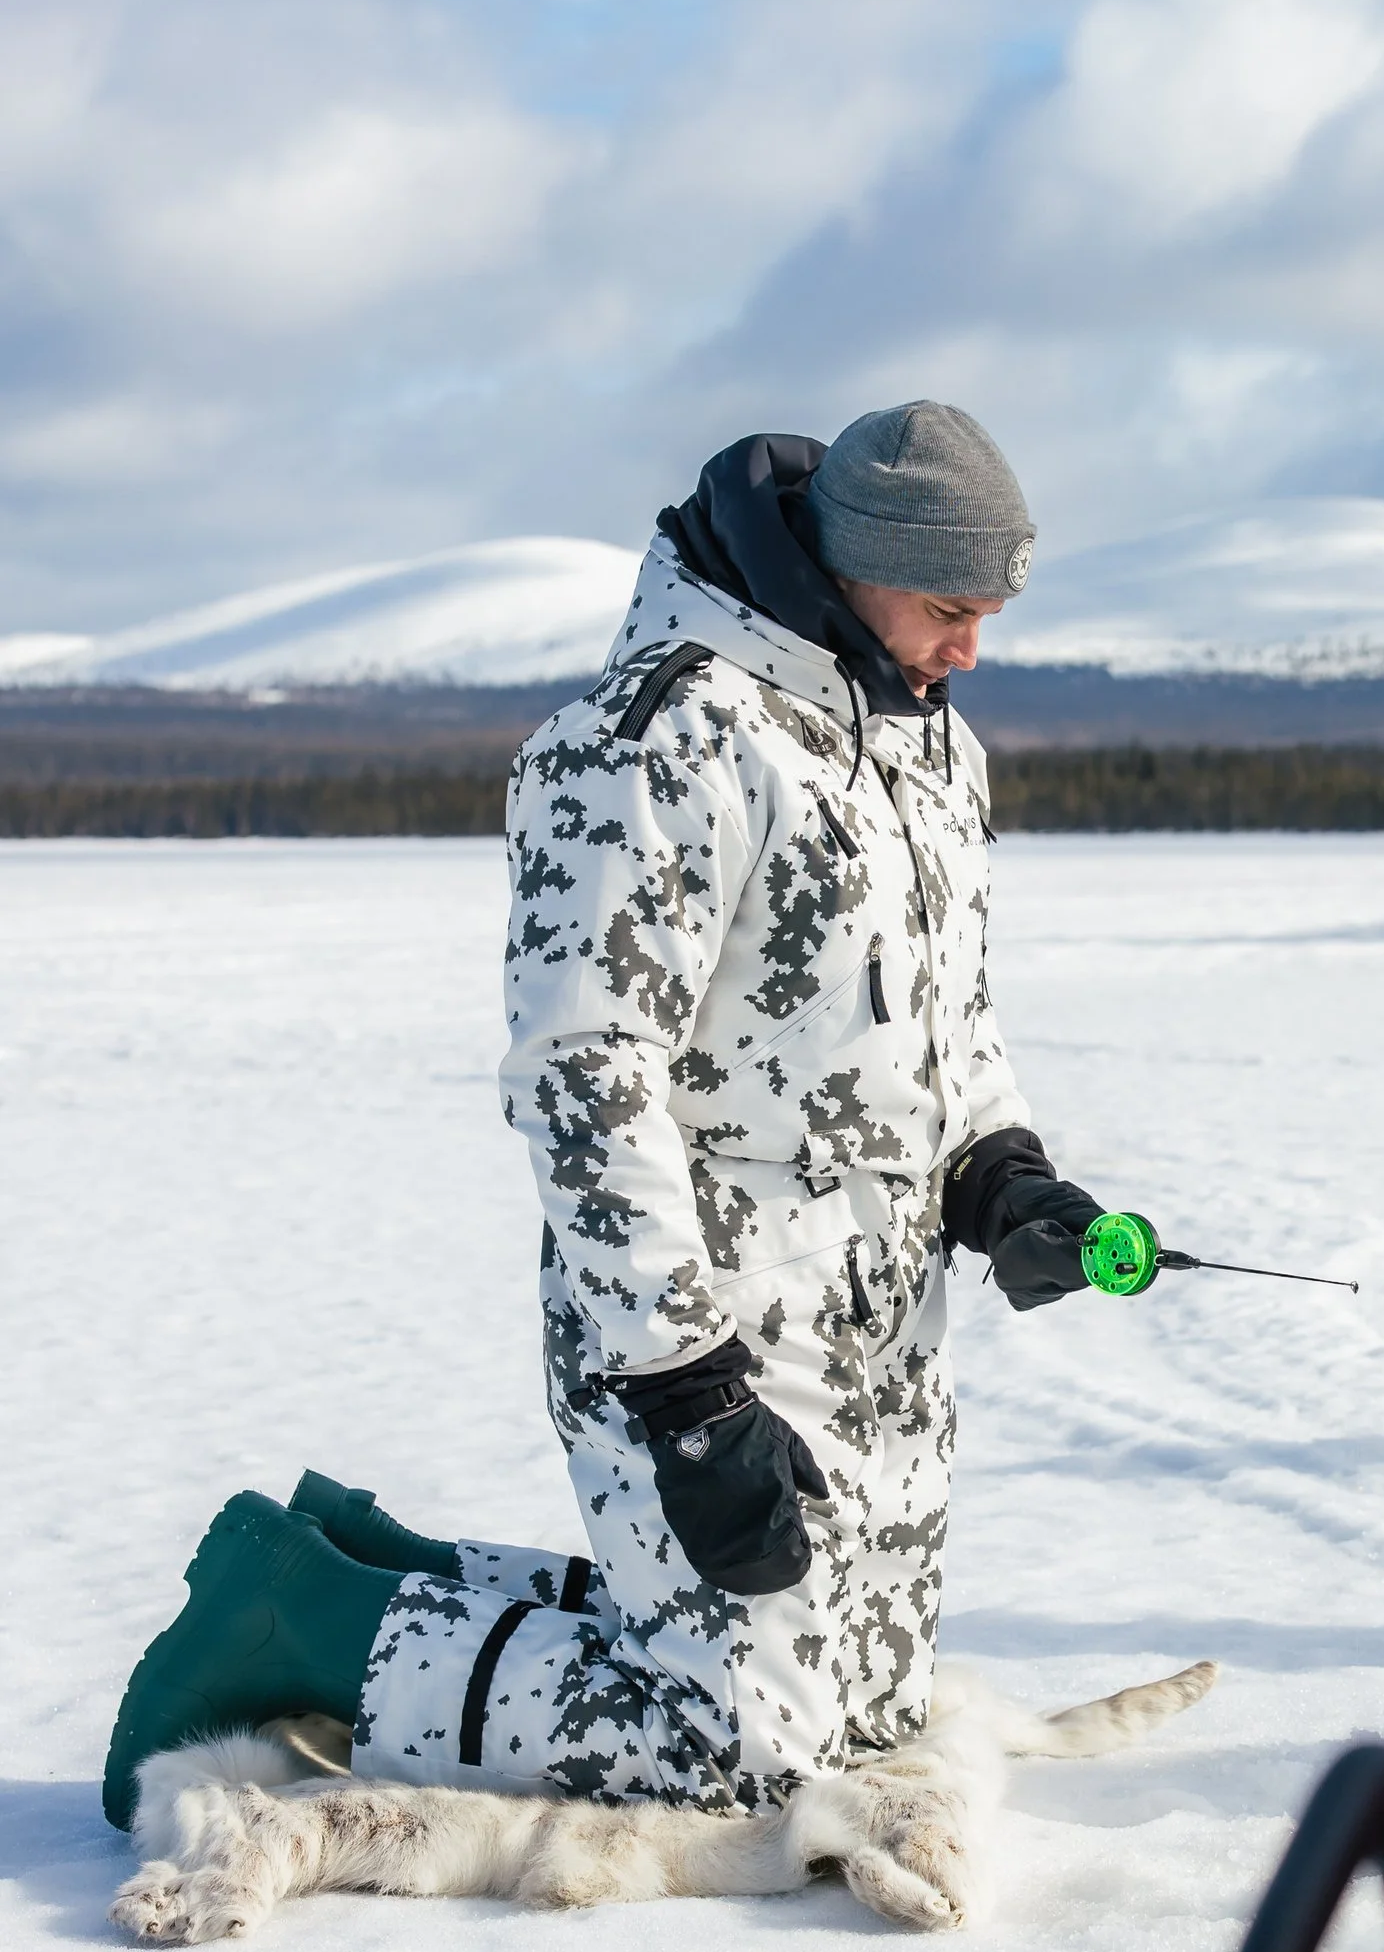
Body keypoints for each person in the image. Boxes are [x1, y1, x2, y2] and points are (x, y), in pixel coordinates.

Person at [104, 404, 1130, 1828]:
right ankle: (308, 1634)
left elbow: (946, 1025)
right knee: (743, 1751)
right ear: (850, 567)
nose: (973, 649)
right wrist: (687, 1392)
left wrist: (1003, 1177)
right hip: (702, 1311)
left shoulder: (924, 749)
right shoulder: (660, 738)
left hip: (881, 1317)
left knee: (866, 1708)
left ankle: (363, 1570)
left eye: (995, 613)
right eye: (951, 608)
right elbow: (585, 1079)